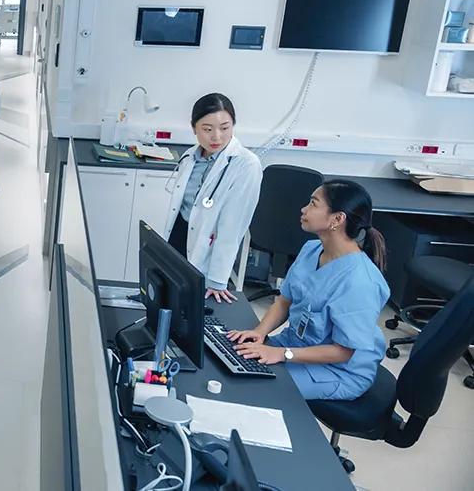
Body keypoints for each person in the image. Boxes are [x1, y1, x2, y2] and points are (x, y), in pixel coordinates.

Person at [228, 180, 390, 401]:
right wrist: (260, 332)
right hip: (295, 347)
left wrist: (281, 354)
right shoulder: (311, 250)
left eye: (313, 204)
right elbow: (284, 301)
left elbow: (344, 351)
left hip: (337, 370)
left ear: (337, 219)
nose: (304, 209)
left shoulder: (361, 282)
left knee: (253, 387)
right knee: (233, 362)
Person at [161, 93, 262, 303]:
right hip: (178, 236)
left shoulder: (246, 165)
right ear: (194, 128)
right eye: (207, 129)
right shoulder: (191, 156)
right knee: (166, 300)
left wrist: (217, 280)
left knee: (189, 307)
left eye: (225, 128)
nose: (216, 137)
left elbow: (232, 227)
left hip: (206, 245)